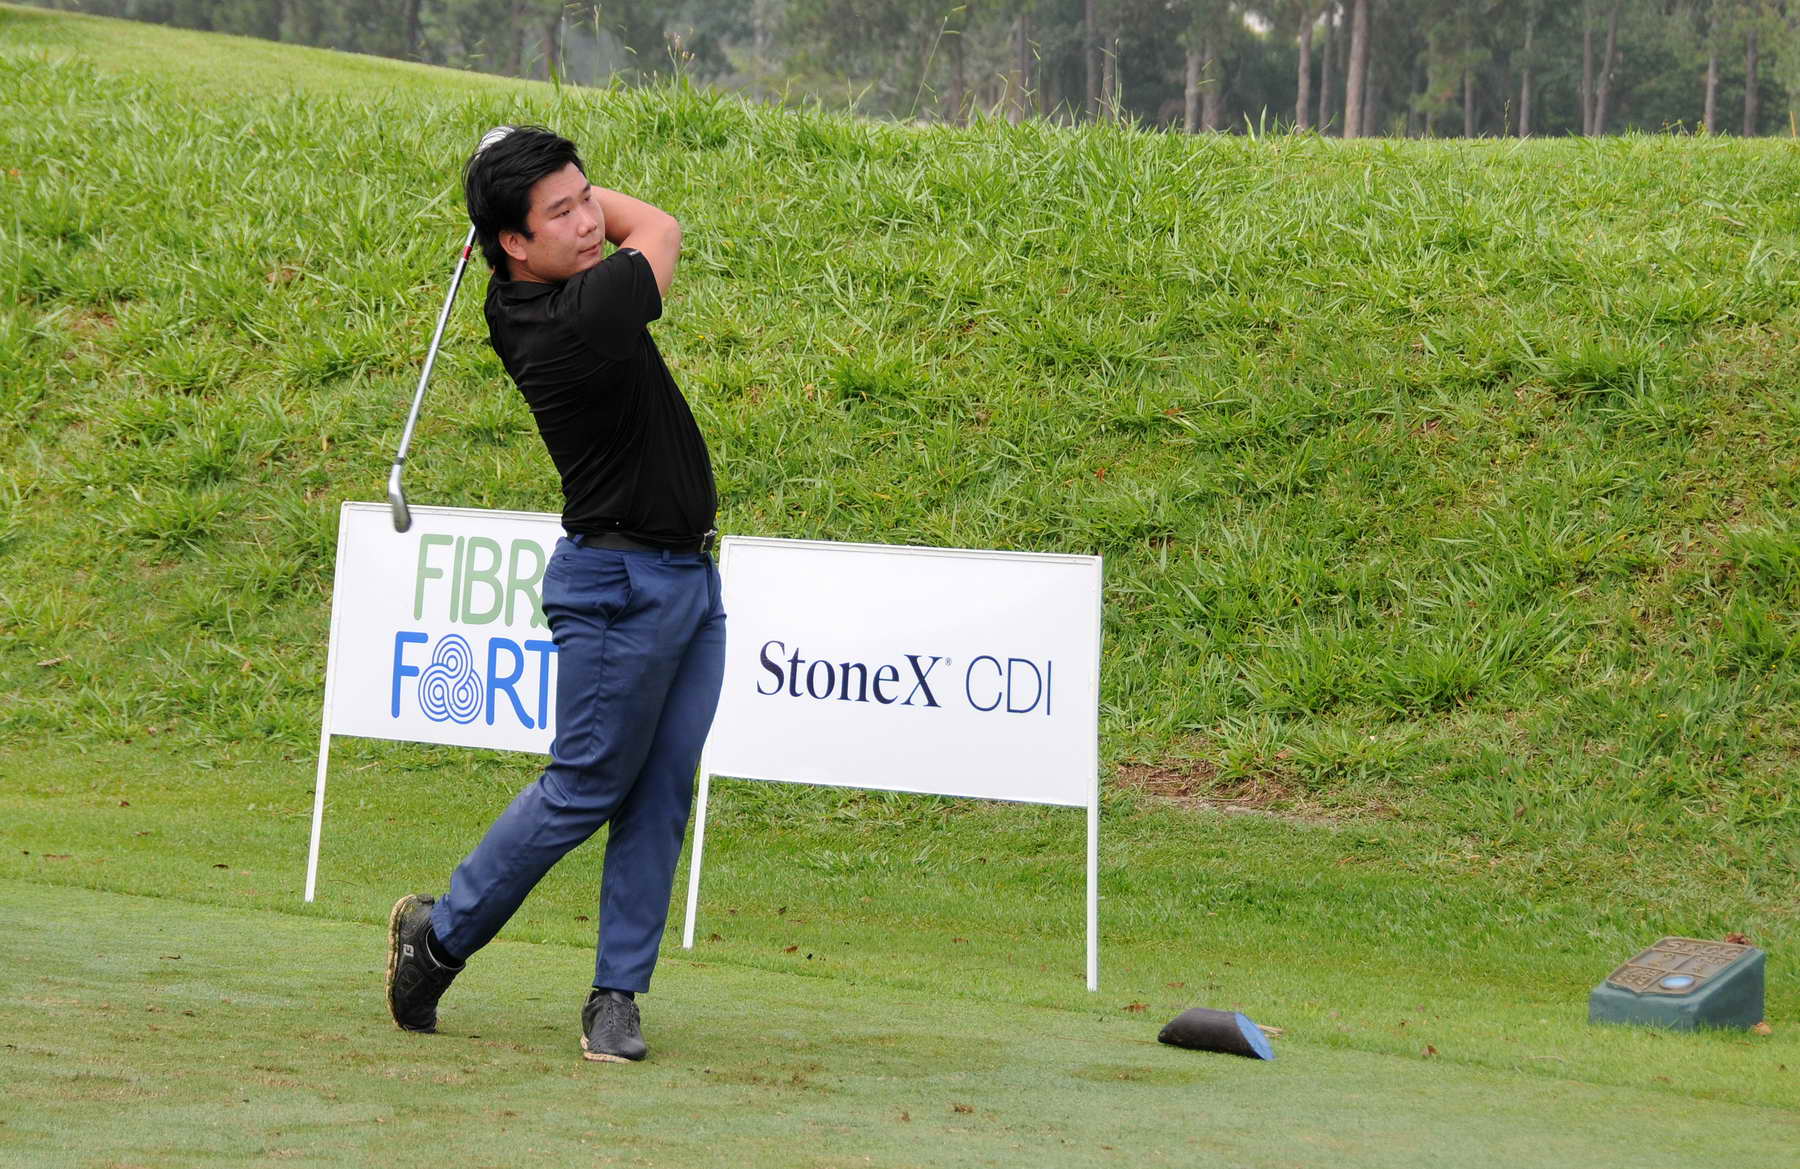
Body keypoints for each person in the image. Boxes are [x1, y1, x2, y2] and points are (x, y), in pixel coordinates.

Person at [385, 126, 725, 1064]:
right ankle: (438, 936)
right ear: (512, 245)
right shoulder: (583, 314)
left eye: (586, 197)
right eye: (561, 212)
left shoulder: (528, 291)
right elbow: (659, 226)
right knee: (586, 785)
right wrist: (570, 193)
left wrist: (528, 180)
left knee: (660, 787)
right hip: (620, 585)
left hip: (688, 577)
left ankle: (616, 994)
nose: (586, 221)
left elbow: (593, 226)